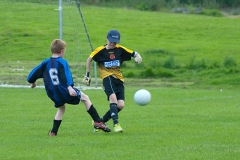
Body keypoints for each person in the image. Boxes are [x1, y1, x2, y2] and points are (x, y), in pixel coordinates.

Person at [27, 39, 111, 136]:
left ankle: (53, 132)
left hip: (52, 94)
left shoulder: (45, 63)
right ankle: (98, 122)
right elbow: (66, 76)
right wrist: (70, 88)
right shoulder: (62, 62)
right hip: (65, 91)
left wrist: (32, 83)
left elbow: (31, 76)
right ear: (62, 51)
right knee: (86, 98)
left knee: (61, 108)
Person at [83, 29, 142, 133]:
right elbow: (89, 59)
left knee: (121, 105)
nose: (112, 43)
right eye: (110, 41)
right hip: (107, 77)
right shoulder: (100, 50)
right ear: (106, 38)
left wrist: (138, 56)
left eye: (114, 42)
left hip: (119, 79)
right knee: (113, 98)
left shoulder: (120, 49)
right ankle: (116, 124)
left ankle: (100, 123)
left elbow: (134, 53)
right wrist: (88, 75)